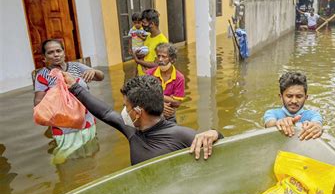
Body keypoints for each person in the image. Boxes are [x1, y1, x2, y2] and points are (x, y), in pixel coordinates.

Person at [63, 73, 222, 165]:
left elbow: (224, 155)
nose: (124, 111)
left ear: (138, 112)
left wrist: (215, 134)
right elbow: (105, 113)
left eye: (126, 106)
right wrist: (74, 87)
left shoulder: (183, 135)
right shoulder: (132, 131)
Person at [34, 39, 104, 164]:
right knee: (66, 158)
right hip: (63, 124)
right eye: (50, 52)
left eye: (58, 51)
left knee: (90, 153)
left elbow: (100, 77)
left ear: (64, 53)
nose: (56, 55)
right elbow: (38, 102)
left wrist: (94, 71)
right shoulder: (43, 75)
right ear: (44, 57)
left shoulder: (76, 67)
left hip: (86, 119)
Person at [263, 72, 323, 140]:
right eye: (289, 96)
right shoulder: (271, 113)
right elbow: (269, 124)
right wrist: (278, 123)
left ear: (306, 97)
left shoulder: (313, 115)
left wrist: (317, 127)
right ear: (281, 97)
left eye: (299, 96)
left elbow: (318, 124)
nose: (294, 101)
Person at [145, 43, 184, 122]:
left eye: (164, 56)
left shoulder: (179, 77)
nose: (160, 59)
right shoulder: (149, 73)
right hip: (152, 114)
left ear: (172, 59)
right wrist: (161, 105)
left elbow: (177, 103)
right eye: (158, 56)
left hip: (169, 116)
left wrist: (154, 95)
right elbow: (144, 97)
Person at [133, 9, 168, 76]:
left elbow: (156, 64)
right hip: (142, 78)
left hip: (151, 81)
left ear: (152, 24)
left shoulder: (162, 42)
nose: (142, 25)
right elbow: (145, 56)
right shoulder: (148, 36)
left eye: (144, 23)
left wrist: (137, 60)